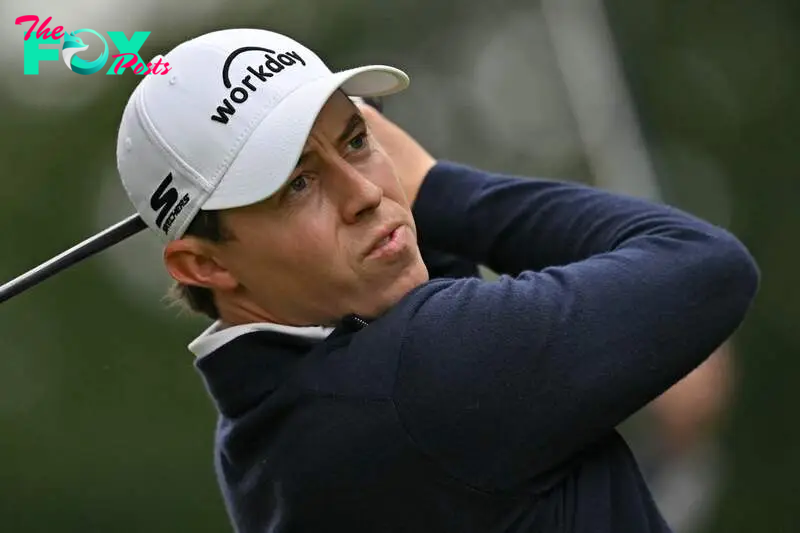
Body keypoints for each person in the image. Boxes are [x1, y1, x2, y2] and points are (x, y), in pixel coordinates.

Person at [114, 28, 760, 533]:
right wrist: (438, 187)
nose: (366, 191)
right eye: (299, 183)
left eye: (358, 140)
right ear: (207, 265)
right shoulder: (418, 377)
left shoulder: (260, 434)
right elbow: (702, 263)